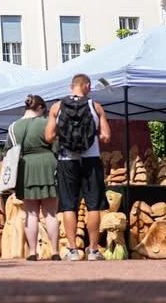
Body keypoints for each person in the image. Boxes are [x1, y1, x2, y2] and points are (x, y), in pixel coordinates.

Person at [44, 73, 111, 261]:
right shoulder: (95, 107)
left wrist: (64, 136)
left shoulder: (57, 107)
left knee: (68, 205)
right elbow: (106, 137)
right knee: (93, 205)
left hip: (66, 159)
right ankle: (93, 251)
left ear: (71, 86)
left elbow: (48, 137)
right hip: (91, 159)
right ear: (87, 86)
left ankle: (73, 250)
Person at [4, 95, 60, 261]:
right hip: (47, 166)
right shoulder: (45, 123)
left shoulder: (13, 127)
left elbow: (9, 150)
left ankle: (32, 253)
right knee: (50, 213)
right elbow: (56, 147)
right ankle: (55, 251)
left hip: (25, 168)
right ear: (41, 108)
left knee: (31, 214)